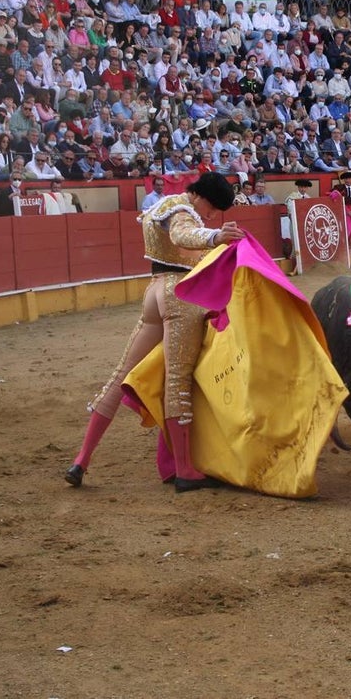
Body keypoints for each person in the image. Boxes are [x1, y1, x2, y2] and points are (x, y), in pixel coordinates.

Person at [66, 172, 244, 492]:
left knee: (121, 375)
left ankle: (82, 459)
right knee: (178, 381)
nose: (212, 216)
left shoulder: (162, 204)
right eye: (214, 209)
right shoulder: (183, 212)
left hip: (155, 291)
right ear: (203, 198)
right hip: (180, 295)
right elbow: (182, 235)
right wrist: (215, 236)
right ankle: (185, 470)